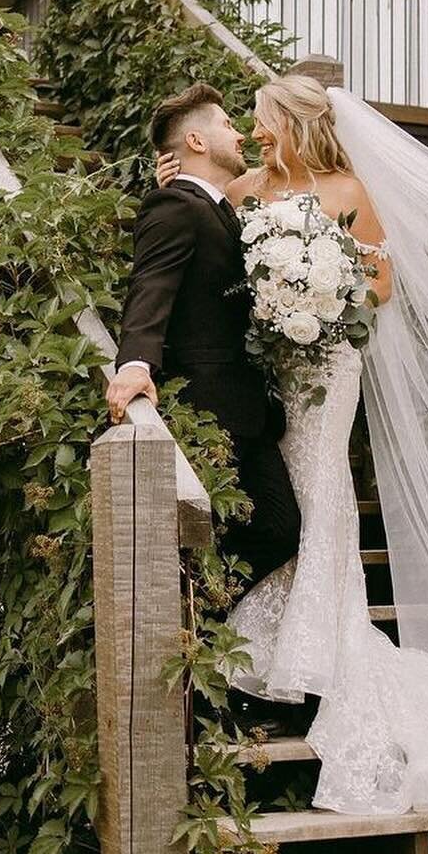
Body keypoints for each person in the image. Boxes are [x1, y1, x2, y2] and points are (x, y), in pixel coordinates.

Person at [149, 73, 428, 829]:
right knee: (285, 500)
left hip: (329, 366)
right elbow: (207, 254)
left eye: (265, 122)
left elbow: (384, 283)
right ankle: (291, 649)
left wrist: (320, 293)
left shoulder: (349, 188)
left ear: (295, 125)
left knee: (321, 490)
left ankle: (316, 655)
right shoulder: (245, 192)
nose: (258, 134)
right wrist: (264, 290)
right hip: (268, 368)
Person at [106, 83, 302, 602]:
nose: (238, 134)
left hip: (245, 406)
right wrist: (135, 363)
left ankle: (205, 630)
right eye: (226, 125)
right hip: (212, 404)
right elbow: (151, 286)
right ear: (195, 140)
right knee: (275, 528)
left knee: (272, 529)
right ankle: (197, 625)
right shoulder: (175, 205)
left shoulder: (218, 206)